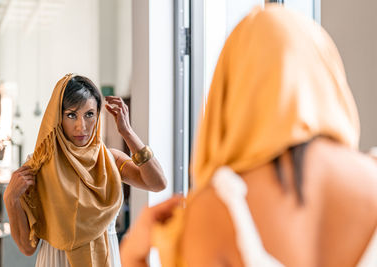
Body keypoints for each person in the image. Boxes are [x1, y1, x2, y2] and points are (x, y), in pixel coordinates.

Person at [120, 4, 377, 267]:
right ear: (329, 78)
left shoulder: (216, 213)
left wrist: (132, 255)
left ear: (231, 91)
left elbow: (157, 181)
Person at [3, 74, 167, 267]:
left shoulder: (110, 160)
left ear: (98, 115)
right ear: (58, 117)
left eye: (89, 114)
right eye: (71, 115)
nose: (82, 126)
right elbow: (27, 248)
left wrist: (127, 132)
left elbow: (157, 183)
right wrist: (10, 199)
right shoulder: (39, 167)